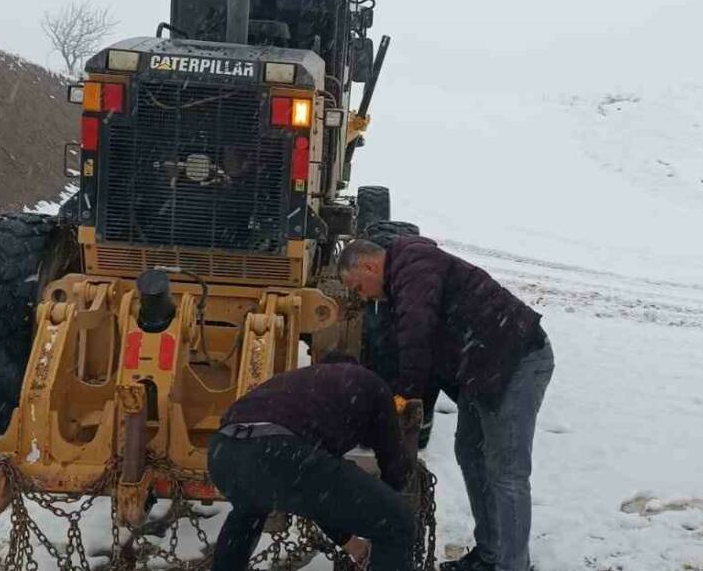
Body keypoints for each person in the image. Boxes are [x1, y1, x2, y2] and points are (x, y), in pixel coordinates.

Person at [338, 236, 555, 571]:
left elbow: (417, 335)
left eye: (357, 286)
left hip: (517, 361)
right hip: (482, 369)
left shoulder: (413, 265)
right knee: (469, 453)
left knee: (506, 469)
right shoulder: (404, 277)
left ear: (369, 265)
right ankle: (491, 553)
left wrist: (407, 394)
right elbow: (427, 356)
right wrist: (407, 402)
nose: (360, 296)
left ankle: (512, 565)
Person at [208, 357, 416, 571]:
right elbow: (394, 469)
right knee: (397, 523)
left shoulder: (305, 385)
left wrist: (353, 545)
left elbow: (317, 494)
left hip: (222, 452)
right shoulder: (373, 387)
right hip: (277, 450)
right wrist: (385, 508)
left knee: (248, 512)